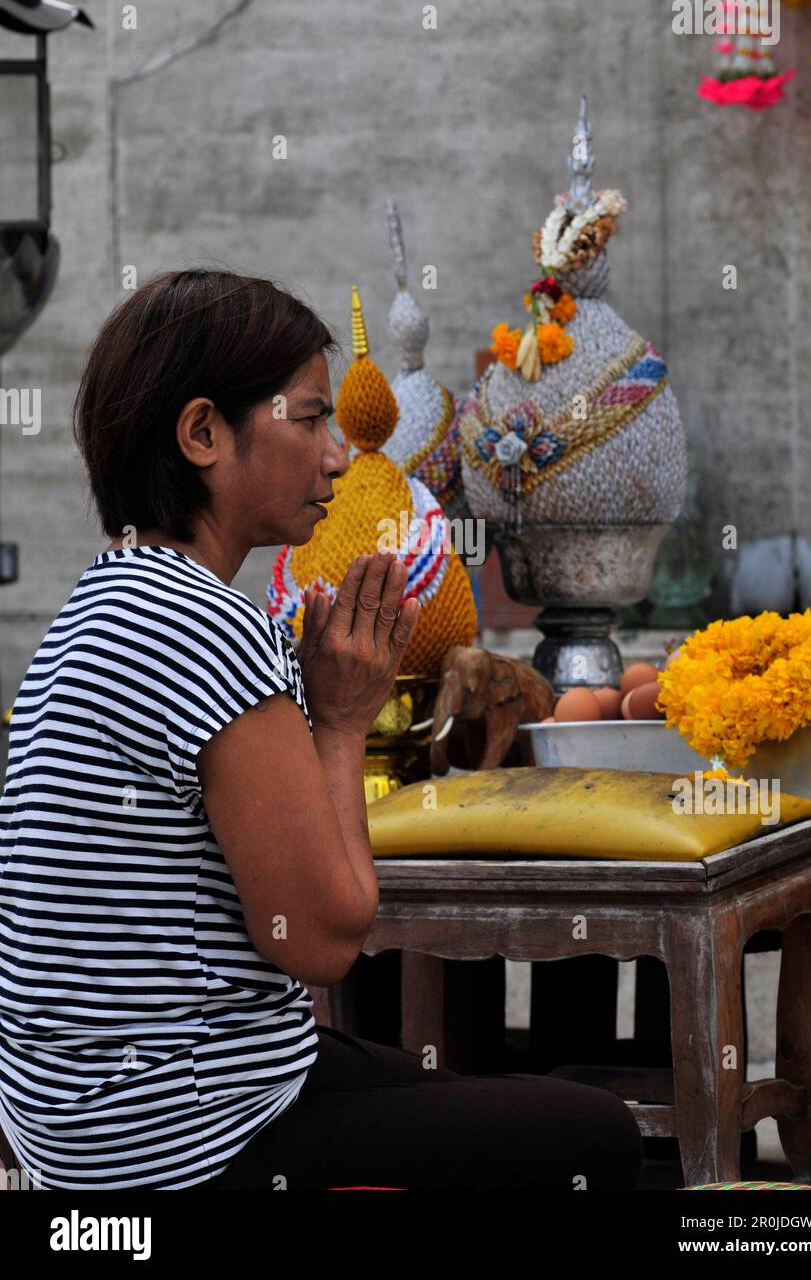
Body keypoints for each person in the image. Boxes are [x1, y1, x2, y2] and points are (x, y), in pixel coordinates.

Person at [0, 268, 643, 1191]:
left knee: (440, 1082)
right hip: (172, 1140)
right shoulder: (195, 626)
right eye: (309, 420)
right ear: (203, 433)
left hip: (81, 1115)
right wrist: (340, 720)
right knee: (595, 1137)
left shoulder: (103, 601)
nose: (338, 457)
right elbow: (321, 939)